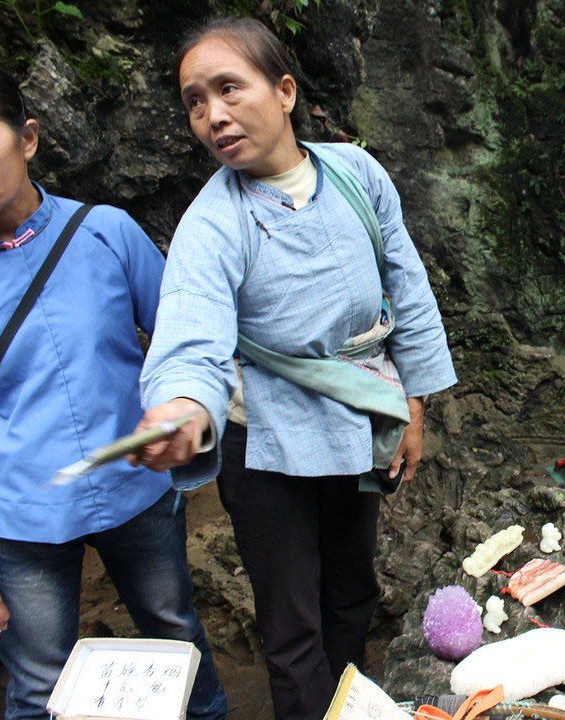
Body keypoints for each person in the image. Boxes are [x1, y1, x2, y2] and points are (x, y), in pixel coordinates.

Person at [130, 18, 457, 720]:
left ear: (284, 91)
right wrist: (184, 404)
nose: (212, 115)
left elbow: (407, 284)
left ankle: (350, 707)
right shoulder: (214, 221)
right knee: (292, 620)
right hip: (266, 440)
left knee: (352, 592)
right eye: (194, 101)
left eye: (228, 88)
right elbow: (192, 332)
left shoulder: (356, 172)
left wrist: (413, 409)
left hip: (358, 413)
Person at [0, 56, 226, 720]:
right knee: (37, 682)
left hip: (133, 490)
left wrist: (184, 409)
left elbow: (183, 332)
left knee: (175, 633)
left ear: (26, 138)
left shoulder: (105, 232)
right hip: (16, 515)